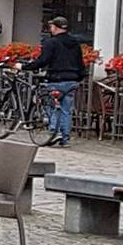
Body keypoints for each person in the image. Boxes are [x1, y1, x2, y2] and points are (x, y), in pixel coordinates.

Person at [27, 15, 88, 147]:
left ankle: (53, 132)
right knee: (66, 110)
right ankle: (64, 138)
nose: (50, 29)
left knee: (51, 106)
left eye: (51, 26)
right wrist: (80, 76)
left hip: (56, 78)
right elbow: (80, 62)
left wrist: (26, 67)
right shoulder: (75, 43)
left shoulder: (51, 42)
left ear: (56, 27)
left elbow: (43, 60)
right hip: (71, 80)